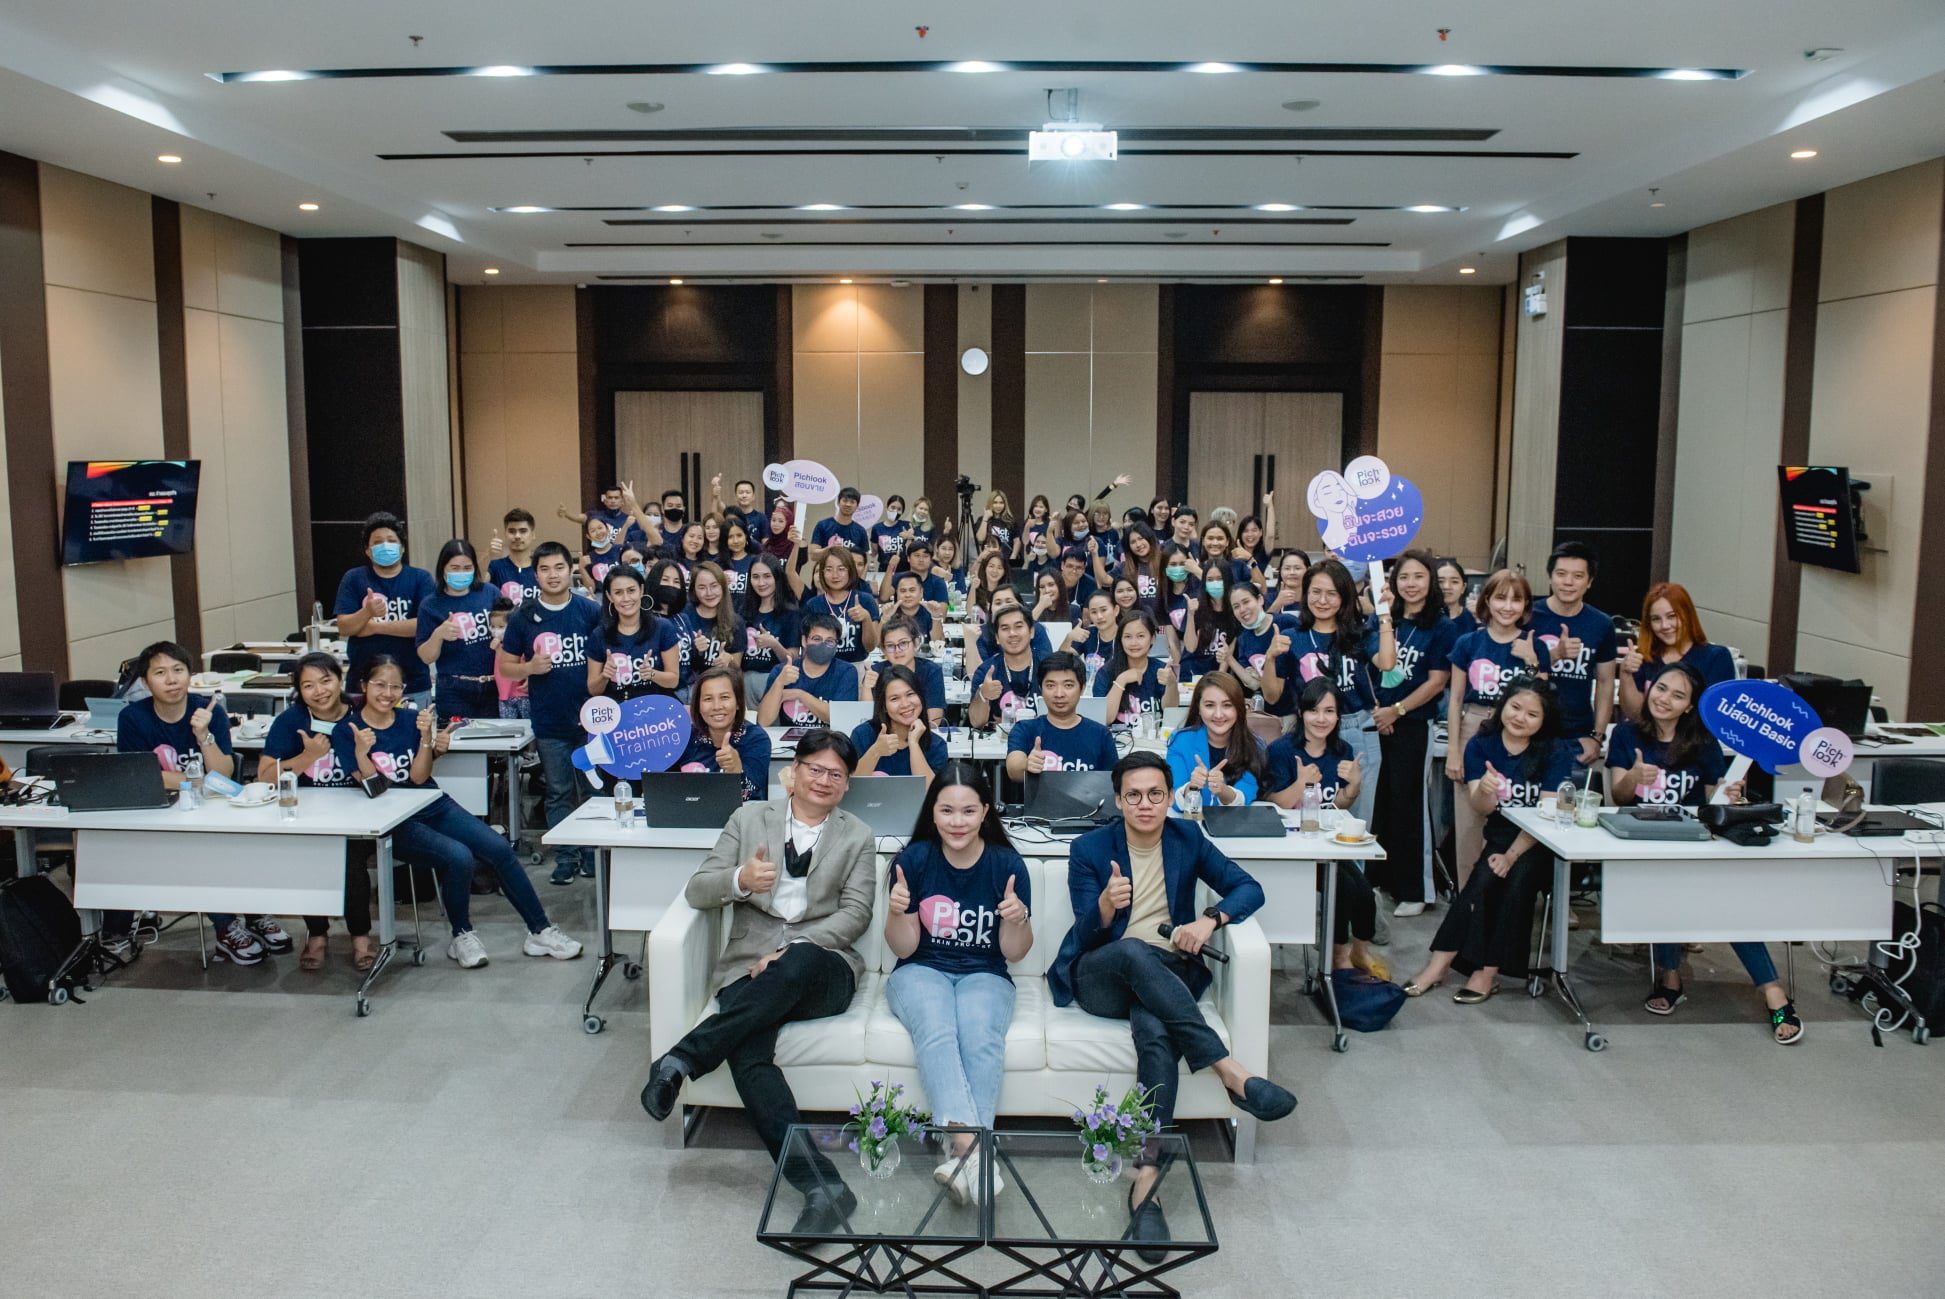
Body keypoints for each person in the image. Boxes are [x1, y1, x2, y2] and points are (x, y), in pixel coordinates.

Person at [1047, 752, 1297, 1253]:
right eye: (1134, 795)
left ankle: (1145, 1182)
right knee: (1137, 952)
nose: (1145, 804)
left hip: (1165, 975)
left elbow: (1249, 888)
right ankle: (1229, 1071)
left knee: (1158, 1037)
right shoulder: (1090, 848)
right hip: (1103, 973)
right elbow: (1084, 930)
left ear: (1169, 797)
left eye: (1156, 794)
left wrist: (1211, 920)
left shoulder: (1187, 837)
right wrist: (1104, 905)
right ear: (1118, 800)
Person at [639, 731, 879, 1234]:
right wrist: (741, 881)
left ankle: (683, 1058)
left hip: (823, 967)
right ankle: (822, 1186)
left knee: (795, 961)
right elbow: (699, 889)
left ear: (847, 784)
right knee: (749, 1055)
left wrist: (790, 948)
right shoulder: (749, 818)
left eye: (836, 774)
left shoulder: (858, 835)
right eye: (815, 768)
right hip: (748, 967)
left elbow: (856, 914)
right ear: (794, 771)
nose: (824, 780)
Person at [340, 656, 582, 968]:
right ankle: (462, 934)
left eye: (395, 686)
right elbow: (374, 788)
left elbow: (418, 778)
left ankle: (540, 931)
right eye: (379, 685)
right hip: (392, 820)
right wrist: (362, 753)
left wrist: (427, 741)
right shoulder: (349, 730)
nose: (387, 693)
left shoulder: (408, 720)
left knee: (498, 848)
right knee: (459, 857)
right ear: (363, 685)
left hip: (429, 803)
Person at [883, 762, 1029, 1204]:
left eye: (968, 811)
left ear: (985, 812)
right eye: (947, 811)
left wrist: (1017, 920)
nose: (957, 822)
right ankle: (975, 1150)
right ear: (933, 812)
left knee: (980, 1034)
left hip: (986, 973)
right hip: (920, 969)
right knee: (937, 1028)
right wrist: (896, 912)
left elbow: (1014, 951)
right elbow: (904, 949)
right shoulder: (913, 861)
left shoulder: (1007, 864)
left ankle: (962, 1159)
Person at [105, 641, 285, 964]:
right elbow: (143, 776)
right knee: (115, 846)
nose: (171, 680)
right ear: (145, 682)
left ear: (190, 675)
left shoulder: (209, 710)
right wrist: (198, 780)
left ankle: (249, 918)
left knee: (219, 845)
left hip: (213, 810)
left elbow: (226, 773)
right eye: (160, 673)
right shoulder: (133, 718)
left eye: (178, 670)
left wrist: (204, 736)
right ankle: (117, 934)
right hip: (158, 810)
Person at [1405, 681, 1576, 1002]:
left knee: (1517, 880)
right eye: (1515, 707)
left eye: (1532, 714)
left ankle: (1488, 972)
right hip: (1500, 835)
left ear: (1544, 720)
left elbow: (1547, 814)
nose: (1521, 717)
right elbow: (1481, 808)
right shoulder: (1481, 745)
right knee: (1479, 882)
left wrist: (1511, 856)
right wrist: (1484, 790)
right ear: (1501, 707)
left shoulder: (1554, 751)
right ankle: (1439, 964)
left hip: (1543, 843)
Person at [256, 652, 372, 971]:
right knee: (307, 859)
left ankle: (360, 937)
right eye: (308, 685)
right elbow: (264, 775)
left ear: (339, 678)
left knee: (350, 862)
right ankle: (317, 933)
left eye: (326, 680)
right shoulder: (291, 721)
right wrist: (306, 758)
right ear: (299, 690)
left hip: (358, 811)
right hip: (307, 813)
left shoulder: (362, 712)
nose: (319, 691)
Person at [496, 541, 603, 886]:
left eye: (559, 567)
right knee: (558, 792)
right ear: (535, 573)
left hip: (590, 721)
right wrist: (530, 667)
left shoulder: (590, 611)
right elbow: (506, 668)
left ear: (570, 569)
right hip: (550, 721)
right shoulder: (523, 617)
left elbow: (606, 657)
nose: (553, 575)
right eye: (545, 569)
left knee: (591, 790)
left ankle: (591, 853)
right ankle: (566, 856)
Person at [1263, 679, 1386, 979]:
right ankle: (1337, 957)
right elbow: (1273, 802)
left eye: (1329, 711)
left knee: (1363, 893)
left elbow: (1337, 804)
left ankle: (1359, 950)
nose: (1321, 719)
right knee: (1341, 888)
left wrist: (1355, 785)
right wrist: (1301, 783)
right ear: (1302, 713)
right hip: (1289, 846)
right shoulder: (1282, 750)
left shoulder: (1343, 749)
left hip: (1324, 843)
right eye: (1314, 711)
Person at [1261, 559, 1395, 824]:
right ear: (1305, 593)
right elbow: (1272, 696)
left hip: (1355, 729)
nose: (1323, 600)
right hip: (1308, 732)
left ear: (1344, 596)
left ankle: (1350, 868)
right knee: (1302, 815)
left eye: (1332, 593)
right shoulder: (1292, 636)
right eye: (1316, 592)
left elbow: (1388, 663)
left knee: (1355, 821)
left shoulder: (1359, 634)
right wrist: (1270, 657)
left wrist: (1385, 616)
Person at [1443, 569, 1546, 883]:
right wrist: (1453, 750)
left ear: (1526, 606)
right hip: (1475, 724)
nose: (1507, 606)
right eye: (1501, 597)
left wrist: (1533, 662)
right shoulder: (1468, 642)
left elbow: (1544, 701)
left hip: (1518, 733)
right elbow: (1456, 698)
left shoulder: (1534, 645)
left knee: (1507, 818)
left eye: (1517, 599)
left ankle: (1503, 896)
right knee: (1469, 823)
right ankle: (1468, 899)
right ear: (1486, 599)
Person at [1369, 550, 1455, 917]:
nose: (1411, 584)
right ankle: (1385, 880)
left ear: (1430, 580)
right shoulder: (1387, 620)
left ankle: (1417, 889)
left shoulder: (1442, 626)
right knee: (1381, 802)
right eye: (1404, 577)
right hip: (1378, 722)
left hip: (1415, 725)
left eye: (1419, 576)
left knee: (1410, 805)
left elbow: (1437, 682)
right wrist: (1381, 712)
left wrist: (1397, 710)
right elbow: (1371, 668)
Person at [334, 511, 437, 706]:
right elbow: (345, 627)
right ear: (367, 550)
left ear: (402, 548)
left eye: (391, 540)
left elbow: (423, 626)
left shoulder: (420, 578)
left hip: (412, 683)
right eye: (378, 542)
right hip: (362, 685)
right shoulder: (354, 578)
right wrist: (367, 613)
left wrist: (373, 626)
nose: (385, 546)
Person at [1536, 541, 1619, 768]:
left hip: (1577, 736)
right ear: (1550, 577)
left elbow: (1605, 682)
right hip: (1529, 732)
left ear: (1589, 582)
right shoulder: (1529, 617)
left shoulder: (1601, 624)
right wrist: (1554, 654)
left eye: (1578, 576)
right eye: (1561, 574)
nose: (1568, 582)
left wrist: (1597, 736)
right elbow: (1514, 671)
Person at [1618, 581, 1738, 717]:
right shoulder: (1643, 656)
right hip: (1648, 736)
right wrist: (1626, 674)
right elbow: (1634, 715)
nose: (1664, 625)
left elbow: (1719, 715)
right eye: (1656, 619)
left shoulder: (1716, 658)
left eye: (1672, 616)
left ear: (1688, 614)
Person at [415, 539, 500, 721]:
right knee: (457, 744)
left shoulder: (490, 592)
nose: (461, 573)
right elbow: (426, 656)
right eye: (454, 568)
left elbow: (511, 630)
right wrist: (438, 635)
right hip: (454, 689)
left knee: (496, 746)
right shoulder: (430, 604)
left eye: (467, 567)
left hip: (494, 686)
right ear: (443, 569)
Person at [1005, 652, 1119, 782]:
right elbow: (1013, 770)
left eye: (1068, 685)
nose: (1059, 694)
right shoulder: (1025, 729)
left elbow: (1113, 783)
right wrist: (1026, 764)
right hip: (1042, 803)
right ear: (1040, 688)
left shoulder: (1101, 734)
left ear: (1082, 688)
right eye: (1050, 685)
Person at [1165, 672, 1262, 810]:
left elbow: (1246, 794)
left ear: (1239, 708)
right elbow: (1173, 796)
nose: (1218, 714)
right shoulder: (1180, 741)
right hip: (1191, 825)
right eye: (1209, 705)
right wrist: (1191, 787)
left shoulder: (1254, 745)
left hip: (1234, 828)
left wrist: (1222, 790)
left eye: (1227, 705)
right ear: (1198, 708)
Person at [587, 565, 681, 702]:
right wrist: (604, 676)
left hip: (656, 713)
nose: (626, 598)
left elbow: (673, 680)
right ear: (609, 596)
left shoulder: (663, 628)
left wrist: (652, 674)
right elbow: (593, 690)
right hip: (618, 713)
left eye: (631, 590)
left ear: (641, 590)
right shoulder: (599, 635)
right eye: (618, 592)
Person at [679, 665, 772, 802]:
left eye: (724, 697)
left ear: (738, 703)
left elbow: (752, 795)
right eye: (708, 699)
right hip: (688, 819)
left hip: (740, 819)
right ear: (698, 705)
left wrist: (736, 770)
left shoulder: (756, 739)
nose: (717, 706)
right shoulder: (685, 738)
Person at [756, 613, 860, 726]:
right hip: (788, 740)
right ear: (804, 641)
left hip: (830, 739)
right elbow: (763, 721)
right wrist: (779, 683)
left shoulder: (846, 672)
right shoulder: (782, 671)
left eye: (830, 641)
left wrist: (799, 694)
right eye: (817, 639)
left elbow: (841, 717)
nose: (823, 645)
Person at [851, 665, 947, 780]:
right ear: (884, 706)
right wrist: (876, 751)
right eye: (894, 699)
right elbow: (851, 786)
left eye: (910, 694)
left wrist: (914, 744)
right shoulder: (862, 735)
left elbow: (931, 793)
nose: (905, 704)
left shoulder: (937, 745)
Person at [1094, 610, 1178, 725]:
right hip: (1118, 741)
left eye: (1141, 636)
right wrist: (1121, 680)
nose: (1134, 643)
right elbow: (1104, 719)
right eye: (1128, 637)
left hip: (1154, 740)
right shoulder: (1105, 672)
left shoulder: (1162, 670)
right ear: (1120, 640)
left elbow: (1171, 713)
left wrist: (1172, 684)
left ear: (1152, 638)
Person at [674, 561, 745, 699]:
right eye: (702, 587)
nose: (709, 593)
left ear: (723, 587)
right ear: (693, 590)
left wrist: (728, 660)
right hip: (685, 688)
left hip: (719, 688)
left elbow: (736, 668)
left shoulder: (736, 622)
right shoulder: (683, 616)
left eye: (714, 586)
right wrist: (695, 650)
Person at [740, 554, 804, 702]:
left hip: (777, 680)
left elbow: (793, 659)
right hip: (745, 682)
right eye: (755, 577)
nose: (761, 583)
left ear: (777, 577)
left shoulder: (791, 614)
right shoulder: (743, 612)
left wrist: (774, 644)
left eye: (767, 576)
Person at [969, 604, 1042, 729]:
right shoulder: (987, 671)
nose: (1012, 633)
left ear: (1031, 632)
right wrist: (983, 694)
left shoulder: (1048, 667)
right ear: (997, 638)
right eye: (1005, 628)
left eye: (1018, 626)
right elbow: (976, 722)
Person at [803, 548, 880, 664]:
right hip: (823, 667)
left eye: (841, 569)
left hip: (856, 667)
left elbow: (870, 647)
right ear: (822, 573)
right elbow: (807, 648)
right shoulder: (812, 605)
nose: (835, 575)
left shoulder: (866, 600)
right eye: (829, 569)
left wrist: (866, 618)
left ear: (850, 571)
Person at [867, 615, 945, 727]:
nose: (897, 650)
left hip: (922, 733)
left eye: (903, 643)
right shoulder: (875, 671)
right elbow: (866, 719)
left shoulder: (931, 671)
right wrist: (866, 687)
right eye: (890, 646)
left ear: (916, 643)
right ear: (883, 650)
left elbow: (934, 720)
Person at [487, 507, 541, 605]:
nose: (517, 536)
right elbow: (477, 584)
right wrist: (488, 555)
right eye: (512, 531)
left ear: (533, 535)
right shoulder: (495, 566)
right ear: (505, 534)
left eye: (523, 531)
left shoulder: (542, 567)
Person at [1064, 590, 1119, 679]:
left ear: (1116, 610)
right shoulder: (1088, 633)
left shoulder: (1126, 634)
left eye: (1104, 610)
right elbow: (1062, 658)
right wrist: (1069, 638)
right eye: (1094, 612)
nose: (1099, 616)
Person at [809, 485, 870, 564]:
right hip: (826, 573)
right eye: (845, 500)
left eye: (852, 502)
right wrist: (830, 549)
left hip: (850, 575)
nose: (848, 504)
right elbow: (813, 556)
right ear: (838, 502)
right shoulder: (823, 525)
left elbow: (864, 560)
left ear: (857, 506)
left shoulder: (861, 531)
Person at [886, 570, 945, 645]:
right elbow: (877, 645)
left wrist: (936, 617)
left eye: (912, 590)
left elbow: (938, 643)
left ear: (921, 592)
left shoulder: (929, 612)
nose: (907, 595)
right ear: (897, 593)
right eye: (903, 591)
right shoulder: (890, 612)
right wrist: (885, 618)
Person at [578, 514, 624, 590]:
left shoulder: (621, 550)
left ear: (608, 529)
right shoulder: (588, 559)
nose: (598, 532)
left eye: (600, 528)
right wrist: (581, 568)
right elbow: (591, 589)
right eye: (593, 531)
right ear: (588, 536)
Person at [975, 490, 1020, 563]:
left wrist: (1013, 556)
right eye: (995, 502)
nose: (998, 506)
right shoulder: (982, 519)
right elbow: (980, 539)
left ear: (1005, 504)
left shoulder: (1010, 521)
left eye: (1001, 503)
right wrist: (985, 518)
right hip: (988, 561)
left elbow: (1017, 540)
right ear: (990, 503)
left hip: (1006, 561)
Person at [1436, 557, 1477, 638]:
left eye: (1454, 582)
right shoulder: (1424, 619)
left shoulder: (1471, 617)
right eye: (1440, 581)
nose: (1446, 586)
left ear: (1463, 587)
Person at [718, 516, 758, 597]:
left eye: (739, 535)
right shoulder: (717, 563)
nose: (735, 541)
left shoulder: (756, 561)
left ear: (746, 536)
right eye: (730, 537)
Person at [869, 493, 911, 570]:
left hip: (904, 568)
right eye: (893, 507)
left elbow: (913, 547)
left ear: (902, 512)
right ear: (887, 507)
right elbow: (874, 552)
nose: (895, 511)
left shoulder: (906, 525)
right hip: (884, 568)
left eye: (899, 509)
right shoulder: (877, 528)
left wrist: (910, 536)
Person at [1265, 549, 1310, 618]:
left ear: (1308, 570)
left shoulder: (1313, 599)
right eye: (1287, 568)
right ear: (1280, 571)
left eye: (1297, 568)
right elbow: (1262, 626)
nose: (1292, 572)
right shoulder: (1269, 598)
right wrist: (1278, 603)